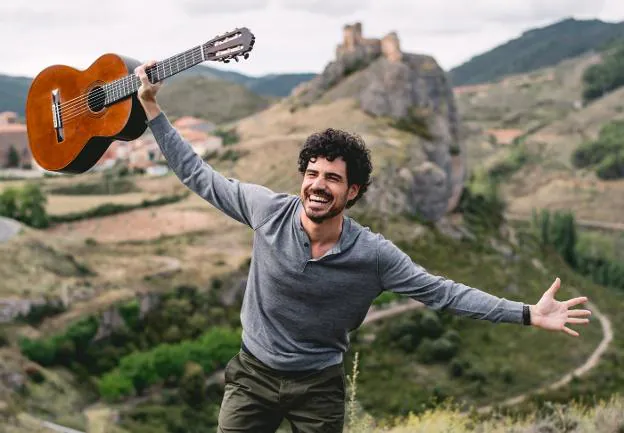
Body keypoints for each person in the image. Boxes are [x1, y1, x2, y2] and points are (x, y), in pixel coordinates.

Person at [133, 61, 592, 433]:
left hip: (319, 388)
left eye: (332, 178)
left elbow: (444, 293)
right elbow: (199, 174)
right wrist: (153, 110)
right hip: (252, 377)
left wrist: (528, 313)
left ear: (352, 192)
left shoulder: (374, 255)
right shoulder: (265, 210)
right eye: (312, 173)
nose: (317, 185)